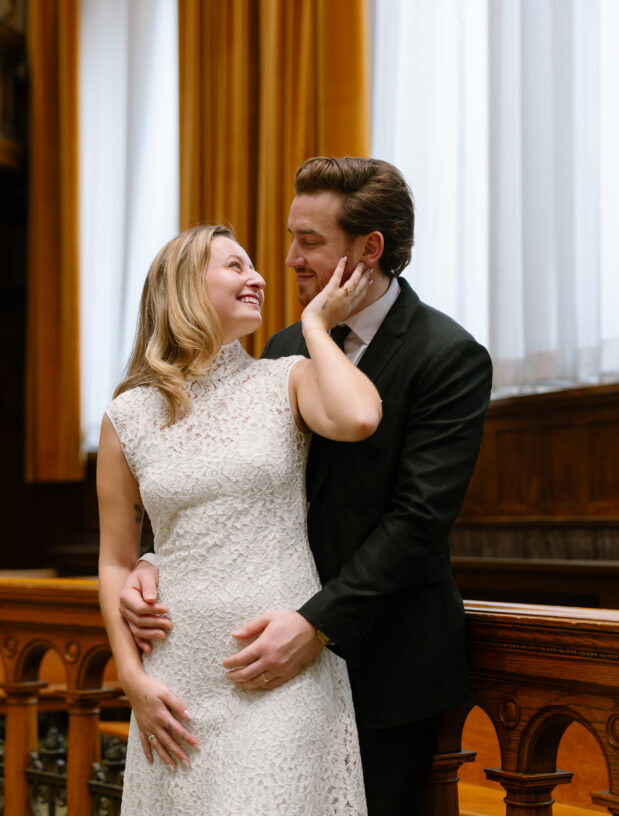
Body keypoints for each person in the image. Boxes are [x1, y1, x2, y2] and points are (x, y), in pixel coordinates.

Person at [120, 157, 493, 816]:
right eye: (290, 236)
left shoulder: (447, 354)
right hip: (259, 648)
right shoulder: (286, 346)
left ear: (368, 249)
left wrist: (314, 624)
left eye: (310, 242)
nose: (287, 258)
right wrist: (155, 561)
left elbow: (416, 522)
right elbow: (234, 476)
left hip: (383, 653)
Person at [97, 223, 381, 815]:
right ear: (182, 288)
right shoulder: (127, 416)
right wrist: (131, 678)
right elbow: (117, 560)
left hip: (281, 667)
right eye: (235, 265)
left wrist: (314, 327)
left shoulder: (286, 379)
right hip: (175, 681)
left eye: (253, 267)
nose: (257, 278)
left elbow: (358, 418)